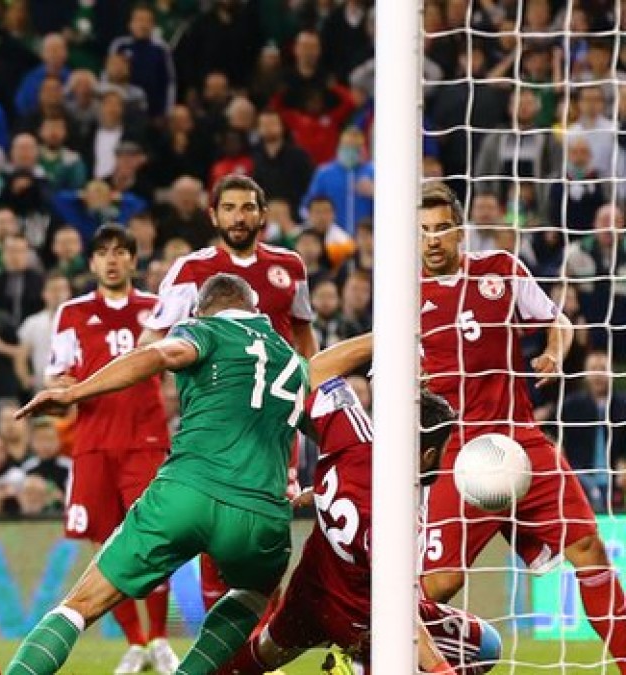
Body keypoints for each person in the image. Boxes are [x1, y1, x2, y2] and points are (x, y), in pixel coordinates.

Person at [7, 273, 307, 675]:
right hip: (261, 513)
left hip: (187, 492)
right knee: (255, 593)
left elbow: (160, 355)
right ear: (255, 309)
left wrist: (73, 392)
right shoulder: (293, 360)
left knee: (79, 606)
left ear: (200, 309)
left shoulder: (203, 330)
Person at [418, 183, 626, 668]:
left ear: (460, 231)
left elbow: (559, 321)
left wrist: (554, 351)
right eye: (422, 231)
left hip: (519, 437)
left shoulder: (501, 270)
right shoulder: (403, 295)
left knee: (588, 547)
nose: (432, 240)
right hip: (455, 453)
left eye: (442, 228)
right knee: (439, 583)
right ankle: (371, 651)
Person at [224, 334, 502, 674]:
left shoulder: (354, 438)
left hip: (310, 593)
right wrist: (441, 670)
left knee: (261, 654)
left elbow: (316, 370)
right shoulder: (395, 517)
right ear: (428, 455)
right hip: (364, 622)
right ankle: (355, 664)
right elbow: (397, 609)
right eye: (446, 449)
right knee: (485, 646)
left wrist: (388, 338)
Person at [140, 175, 317, 610]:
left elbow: (303, 338)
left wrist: (315, 397)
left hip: (274, 426)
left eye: (248, 208)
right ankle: (220, 636)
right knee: (213, 516)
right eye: (230, 208)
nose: (239, 217)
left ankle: (263, 639)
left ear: (263, 214)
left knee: (270, 523)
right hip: (215, 419)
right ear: (213, 215)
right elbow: (153, 340)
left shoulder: (290, 267)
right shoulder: (191, 270)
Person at [46, 225, 176, 674]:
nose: (112, 260)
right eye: (103, 253)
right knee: (105, 546)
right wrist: (61, 384)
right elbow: (57, 375)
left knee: (154, 538)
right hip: (94, 442)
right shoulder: (72, 312)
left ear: (134, 260)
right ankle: (136, 643)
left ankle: (159, 638)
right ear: (92, 263)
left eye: (121, 252)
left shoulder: (157, 309)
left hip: (145, 440)